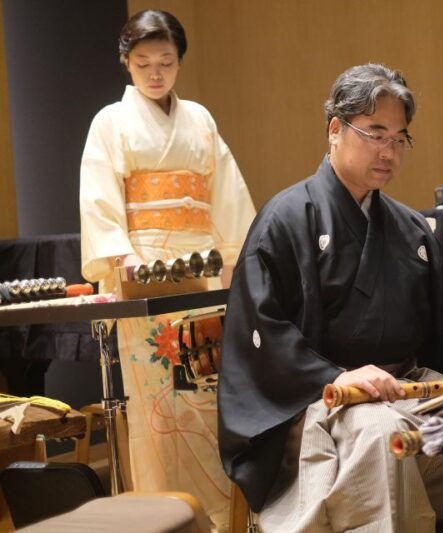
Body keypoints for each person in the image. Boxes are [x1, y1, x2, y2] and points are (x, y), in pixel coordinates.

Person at [219, 63, 443, 532]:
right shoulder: (285, 219)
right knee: (385, 435)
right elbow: (263, 332)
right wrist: (339, 375)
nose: (389, 151)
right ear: (334, 129)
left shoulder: (411, 229)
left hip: (406, 386)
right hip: (320, 399)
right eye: (375, 133)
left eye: (399, 138)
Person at [79, 10, 255, 531]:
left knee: (209, 394)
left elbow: (227, 196)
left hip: (202, 268)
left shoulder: (199, 118)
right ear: (125, 63)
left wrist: (232, 259)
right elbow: (99, 198)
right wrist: (123, 257)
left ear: (179, 61)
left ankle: (223, 516)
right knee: (159, 408)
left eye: (166, 62)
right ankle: (166, 518)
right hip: (145, 271)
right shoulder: (110, 122)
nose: (155, 73)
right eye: (143, 63)